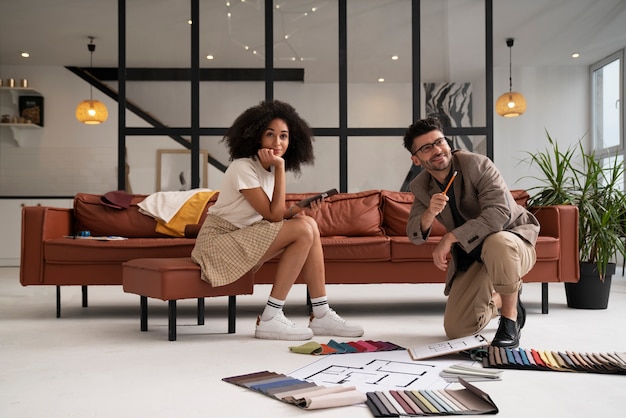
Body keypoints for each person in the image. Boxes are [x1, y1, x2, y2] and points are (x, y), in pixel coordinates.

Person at [191, 100, 363, 341]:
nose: (277, 142)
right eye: (270, 134)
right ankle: (271, 318)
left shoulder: (268, 170)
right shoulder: (243, 167)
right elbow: (272, 217)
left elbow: (275, 214)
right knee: (304, 228)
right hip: (218, 244)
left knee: (308, 224)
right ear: (255, 135)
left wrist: (298, 209)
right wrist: (281, 168)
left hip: (244, 236)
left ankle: (321, 313)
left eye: (284, 136)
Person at [402, 117, 539, 348]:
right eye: (426, 148)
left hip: (512, 242)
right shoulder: (421, 186)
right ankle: (504, 296)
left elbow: (499, 214)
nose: (436, 150)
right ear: (416, 159)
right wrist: (429, 215)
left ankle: (510, 318)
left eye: (439, 142)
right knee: (458, 330)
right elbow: (414, 234)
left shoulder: (478, 164)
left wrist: (450, 237)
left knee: (498, 242)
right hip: (474, 254)